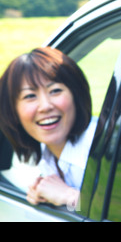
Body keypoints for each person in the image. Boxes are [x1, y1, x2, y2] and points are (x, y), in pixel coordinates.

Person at [0, 47, 95, 209]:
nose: (45, 106)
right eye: (30, 96)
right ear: (12, 111)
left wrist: (70, 196)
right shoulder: (45, 154)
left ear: (76, 95)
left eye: (55, 91)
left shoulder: (105, 148)